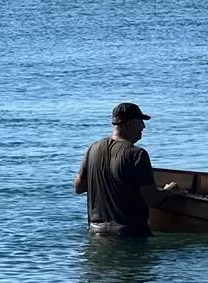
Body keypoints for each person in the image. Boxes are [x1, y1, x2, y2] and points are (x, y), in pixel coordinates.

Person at [75, 102, 184, 237]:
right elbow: (152, 200)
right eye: (141, 122)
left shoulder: (93, 149)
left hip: (96, 233)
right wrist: (170, 191)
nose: (143, 127)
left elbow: (79, 187)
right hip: (129, 236)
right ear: (131, 124)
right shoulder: (137, 154)